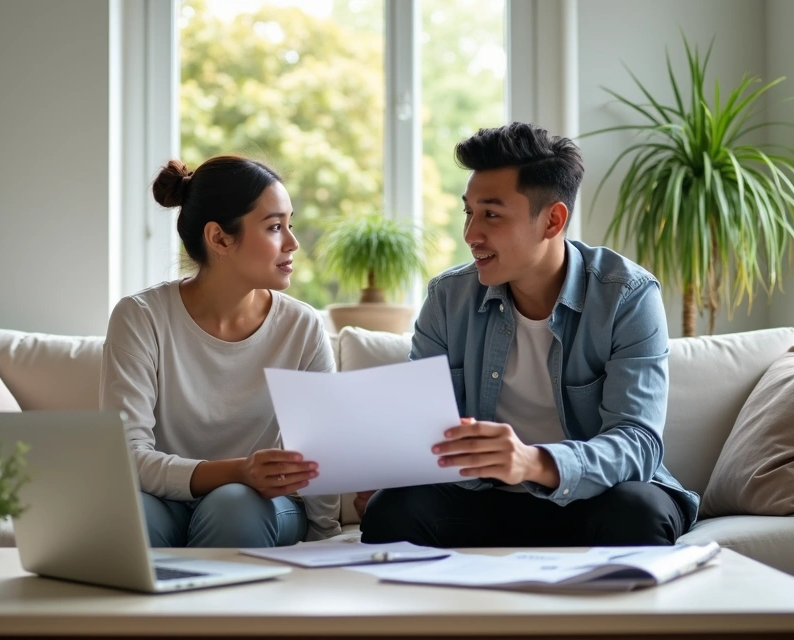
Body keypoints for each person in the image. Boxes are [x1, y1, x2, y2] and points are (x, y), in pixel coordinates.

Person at [357, 123, 699, 547]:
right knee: (391, 510)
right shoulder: (448, 297)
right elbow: (419, 424)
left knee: (640, 512)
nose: (470, 235)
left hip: (590, 498)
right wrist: (383, 460)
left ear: (553, 220)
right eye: (469, 212)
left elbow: (638, 443)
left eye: (492, 215)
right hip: (481, 498)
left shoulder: (626, 296)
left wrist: (533, 461)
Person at [100, 155, 340, 548]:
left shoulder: (302, 326)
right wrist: (239, 470)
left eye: (289, 224)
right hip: (165, 501)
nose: (293, 243)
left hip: (258, 506)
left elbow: (320, 454)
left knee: (234, 506)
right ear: (220, 238)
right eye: (276, 227)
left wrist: (324, 540)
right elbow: (126, 457)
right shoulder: (140, 317)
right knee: (129, 514)